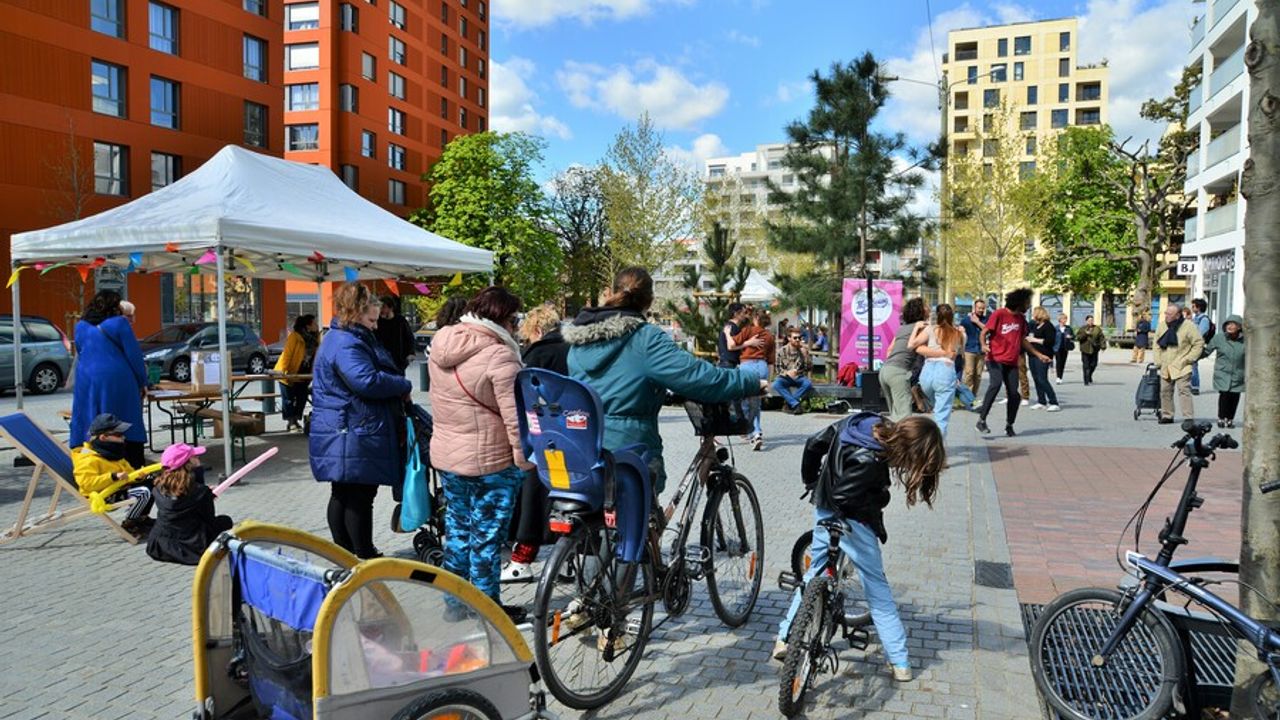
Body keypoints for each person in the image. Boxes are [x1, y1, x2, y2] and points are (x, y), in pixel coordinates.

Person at [774, 413, 945, 684]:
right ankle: (900, 660)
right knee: (877, 588)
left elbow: (814, 443)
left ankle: (784, 639)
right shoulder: (874, 462)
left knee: (814, 573)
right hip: (855, 522)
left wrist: (811, 482)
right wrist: (882, 495)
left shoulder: (858, 424)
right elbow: (848, 496)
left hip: (824, 509)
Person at [563, 267, 764, 494]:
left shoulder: (580, 339)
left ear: (611, 292)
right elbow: (699, 377)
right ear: (649, 301)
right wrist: (750, 381)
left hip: (582, 449)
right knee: (641, 517)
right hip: (631, 452)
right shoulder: (645, 339)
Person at [429, 286, 532, 620]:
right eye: (514, 318)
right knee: (486, 539)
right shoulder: (500, 354)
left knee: (457, 532)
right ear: (501, 317)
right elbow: (515, 417)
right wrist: (524, 458)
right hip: (491, 462)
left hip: (449, 456)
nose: (516, 325)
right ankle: (488, 610)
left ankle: (454, 604)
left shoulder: (442, 342)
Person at [310, 283, 413, 559]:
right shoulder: (347, 342)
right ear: (356, 311)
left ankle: (344, 552)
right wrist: (401, 383)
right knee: (359, 495)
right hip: (353, 429)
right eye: (371, 315)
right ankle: (363, 553)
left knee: (344, 492)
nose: (376, 322)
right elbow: (365, 380)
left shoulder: (341, 337)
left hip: (346, 426)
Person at [503, 303, 570, 582]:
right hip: (573, 436)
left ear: (538, 330)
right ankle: (568, 561)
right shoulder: (573, 351)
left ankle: (522, 560)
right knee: (567, 497)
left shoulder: (536, 355)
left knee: (531, 497)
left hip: (543, 438)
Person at [71, 290, 149, 468]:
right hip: (117, 377)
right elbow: (134, 355)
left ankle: (91, 461)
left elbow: (81, 351)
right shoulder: (119, 323)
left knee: (90, 416)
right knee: (125, 417)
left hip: (86, 377)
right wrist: (143, 382)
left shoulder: (80, 326)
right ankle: (131, 461)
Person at [976, 288, 1050, 437]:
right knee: (995, 385)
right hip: (995, 358)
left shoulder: (1021, 319)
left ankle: (1009, 425)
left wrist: (1038, 354)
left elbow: (1023, 340)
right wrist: (984, 345)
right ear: (1018, 302)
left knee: (1014, 395)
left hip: (1011, 361)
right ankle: (981, 420)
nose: (1028, 306)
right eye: (1027, 302)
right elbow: (984, 332)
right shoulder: (999, 314)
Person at [145, 443, 233, 565]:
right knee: (225, 521)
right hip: (193, 545)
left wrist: (205, 494)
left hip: (160, 544)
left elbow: (180, 497)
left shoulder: (158, 488)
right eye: (195, 457)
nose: (199, 459)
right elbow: (208, 520)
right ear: (187, 463)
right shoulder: (200, 492)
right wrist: (206, 497)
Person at [73, 413, 154, 537]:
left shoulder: (113, 453)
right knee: (143, 492)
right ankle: (130, 524)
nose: (123, 438)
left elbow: (129, 472)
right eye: (118, 435)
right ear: (104, 437)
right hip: (101, 495)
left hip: (117, 488)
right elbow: (87, 483)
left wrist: (138, 476)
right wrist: (112, 476)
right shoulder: (88, 459)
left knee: (153, 482)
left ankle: (142, 518)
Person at [914, 304, 964, 436]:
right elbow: (958, 353)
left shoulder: (930, 329)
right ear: (952, 316)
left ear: (937, 315)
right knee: (941, 415)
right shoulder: (959, 334)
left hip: (927, 370)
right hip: (945, 370)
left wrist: (916, 329)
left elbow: (914, 345)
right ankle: (937, 447)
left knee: (935, 404)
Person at [1154, 303, 1204, 424]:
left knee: (1184, 391)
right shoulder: (1162, 326)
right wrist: (1158, 360)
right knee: (1165, 391)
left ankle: (1188, 417)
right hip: (1166, 364)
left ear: (1177, 315)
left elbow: (1198, 343)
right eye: (1166, 313)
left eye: (1169, 314)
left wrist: (1189, 359)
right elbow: (1156, 344)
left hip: (1182, 364)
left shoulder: (1188, 326)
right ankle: (1167, 415)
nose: (1166, 316)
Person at [880, 298, 929, 421]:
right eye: (927, 306)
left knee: (895, 416)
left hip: (885, 371)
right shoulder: (923, 328)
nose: (929, 309)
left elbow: (889, 351)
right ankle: (902, 440)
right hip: (898, 372)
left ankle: (891, 439)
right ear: (921, 311)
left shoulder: (902, 328)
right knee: (904, 418)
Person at [734, 309, 776, 450]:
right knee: (756, 403)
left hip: (747, 366)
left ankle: (753, 432)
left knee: (745, 402)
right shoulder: (769, 336)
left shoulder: (748, 330)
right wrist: (768, 381)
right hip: (762, 367)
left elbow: (733, 344)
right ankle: (756, 433)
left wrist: (727, 333)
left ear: (756, 318)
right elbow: (771, 362)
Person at [274, 314, 319, 432]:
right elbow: (287, 355)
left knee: (302, 397)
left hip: (304, 372)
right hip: (289, 371)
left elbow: (315, 357)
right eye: (314, 323)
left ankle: (296, 419)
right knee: (288, 399)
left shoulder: (315, 339)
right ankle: (291, 421)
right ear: (308, 326)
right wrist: (284, 372)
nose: (317, 325)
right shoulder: (295, 337)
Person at [1201, 314, 1244, 428]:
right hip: (1222, 372)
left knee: (1235, 396)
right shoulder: (1219, 338)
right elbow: (1207, 351)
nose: (1229, 326)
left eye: (1233, 324)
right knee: (1224, 394)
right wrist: (1193, 357)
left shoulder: (1246, 340)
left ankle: (1230, 419)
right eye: (1228, 324)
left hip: (1239, 372)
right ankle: (1221, 417)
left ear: (1239, 327)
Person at [1026, 307, 1061, 411]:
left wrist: (1034, 340)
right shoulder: (1035, 326)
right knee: (1036, 378)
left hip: (1043, 355)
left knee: (1042, 379)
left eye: (1034, 313)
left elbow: (1050, 341)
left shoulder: (1048, 326)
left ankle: (1053, 401)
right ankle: (1041, 400)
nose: (1033, 315)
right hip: (1033, 355)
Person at [774, 328, 814, 414]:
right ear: (789, 338)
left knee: (807, 384)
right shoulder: (781, 351)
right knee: (776, 384)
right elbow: (777, 368)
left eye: (799, 338)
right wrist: (786, 373)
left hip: (799, 376)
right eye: (795, 338)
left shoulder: (802, 351)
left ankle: (790, 403)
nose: (798, 340)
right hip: (786, 377)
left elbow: (809, 368)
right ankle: (795, 404)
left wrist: (806, 356)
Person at [375, 295, 416, 374]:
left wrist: (411, 353)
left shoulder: (400, 321)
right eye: (379, 307)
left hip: (399, 361)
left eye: (383, 307)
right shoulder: (377, 322)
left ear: (391, 308)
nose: (381, 310)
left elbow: (409, 337)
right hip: (382, 361)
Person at [959, 299, 990, 398]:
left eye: (983, 308)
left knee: (978, 375)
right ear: (974, 308)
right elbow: (960, 333)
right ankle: (968, 397)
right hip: (969, 350)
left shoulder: (986, 320)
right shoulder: (966, 320)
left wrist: (977, 322)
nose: (981, 310)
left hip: (981, 350)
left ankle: (973, 395)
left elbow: (988, 331)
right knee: (969, 374)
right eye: (979, 308)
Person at [717, 302, 762, 368]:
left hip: (726, 363)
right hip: (728, 364)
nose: (745, 315)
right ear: (736, 314)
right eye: (744, 313)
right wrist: (749, 343)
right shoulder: (732, 328)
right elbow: (731, 346)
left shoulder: (730, 326)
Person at [1190, 299, 1212, 395]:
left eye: (1194, 306)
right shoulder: (1196, 318)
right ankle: (1192, 385)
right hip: (1192, 345)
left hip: (1198, 346)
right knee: (1191, 364)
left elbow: (1201, 332)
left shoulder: (1204, 319)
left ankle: (1195, 386)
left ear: (1198, 307)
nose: (1192, 308)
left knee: (1193, 364)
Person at [1076, 315, 1106, 386]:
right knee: (1086, 365)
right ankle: (1086, 380)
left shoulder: (1097, 328)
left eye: (1092, 320)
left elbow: (1102, 338)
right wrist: (1085, 334)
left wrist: (1103, 346)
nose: (1091, 322)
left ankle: (1089, 375)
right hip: (1085, 349)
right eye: (1089, 320)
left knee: (1093, 364)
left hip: (1094, 349)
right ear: (1086, 321)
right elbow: (1078, 338)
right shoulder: (1082, 329)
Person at [1053, 313, 1075, 384]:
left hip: (1065, 347)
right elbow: (1052, 338)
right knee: (1058, 362)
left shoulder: (1068, 328)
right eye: (1064, 318)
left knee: (1063, 362)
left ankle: (1061, 376)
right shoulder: (1055, 328)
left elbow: (1074, 336)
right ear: (1060, 320)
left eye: (1066, 318)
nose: (1065, 320)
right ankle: (1058, 377)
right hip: (1057, 348)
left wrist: (1070, 337)